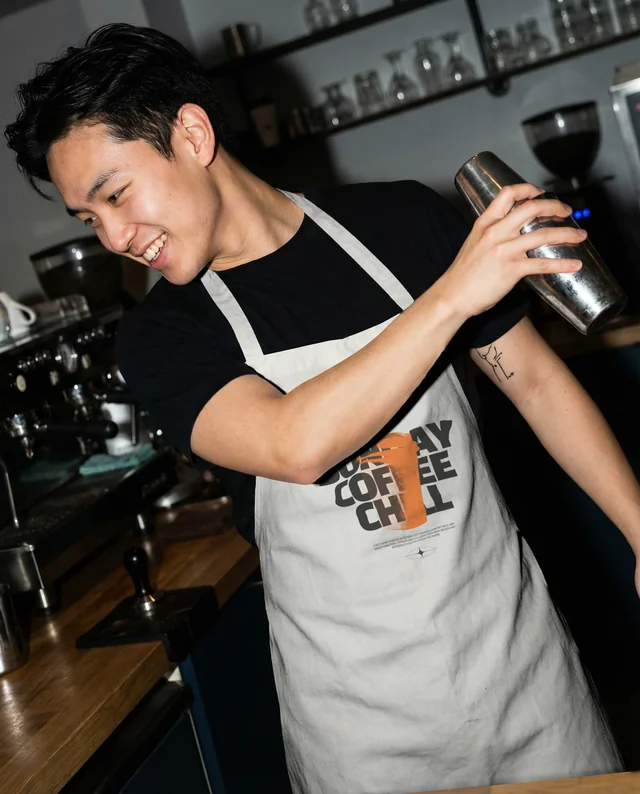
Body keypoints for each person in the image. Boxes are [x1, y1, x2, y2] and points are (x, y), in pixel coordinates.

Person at [6, 23, 639, 794]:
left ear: (193, 135)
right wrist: (451, 296)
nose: (114, 236)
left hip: (523, 669)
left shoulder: (405, 224)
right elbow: (294, 443)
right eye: (89, 219)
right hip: (361, 727)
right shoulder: (162, 334)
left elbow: (536, 384)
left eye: (114, 194)